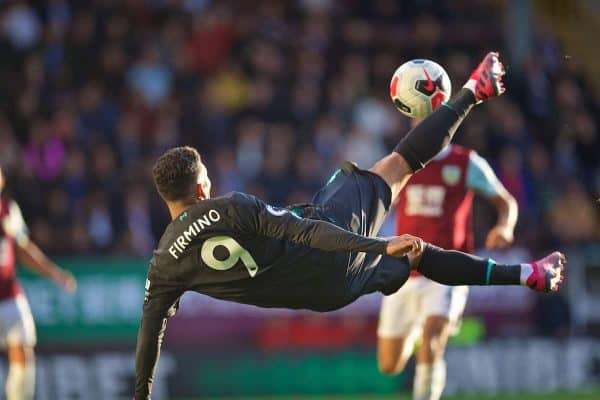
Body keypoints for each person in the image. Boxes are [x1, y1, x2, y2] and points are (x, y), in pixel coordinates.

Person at [135, 52, 565, 399]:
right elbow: (304, 233)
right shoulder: (228, 208)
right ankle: (475, 90)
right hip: (329, 242)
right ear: (201, 186)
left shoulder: (162, 267)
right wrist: (377, 244)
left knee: (417, 256)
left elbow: (149, 334)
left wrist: (142, 395)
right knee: (397, 166)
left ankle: (528, 273)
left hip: (325, 295)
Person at [377, 129, 518, 400]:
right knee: (389, 364)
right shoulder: (402, 161)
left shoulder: (467, 162)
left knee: (432, 340)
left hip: (447, 270)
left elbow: (505, 202)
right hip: (403, 272)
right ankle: (419, 328)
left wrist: (505, 227)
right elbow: (382, 200)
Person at [0, 166, 76, 400]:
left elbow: (23, 249)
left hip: (9, 293)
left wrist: (55, 273)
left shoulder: (8, 210)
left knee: (23, 350)